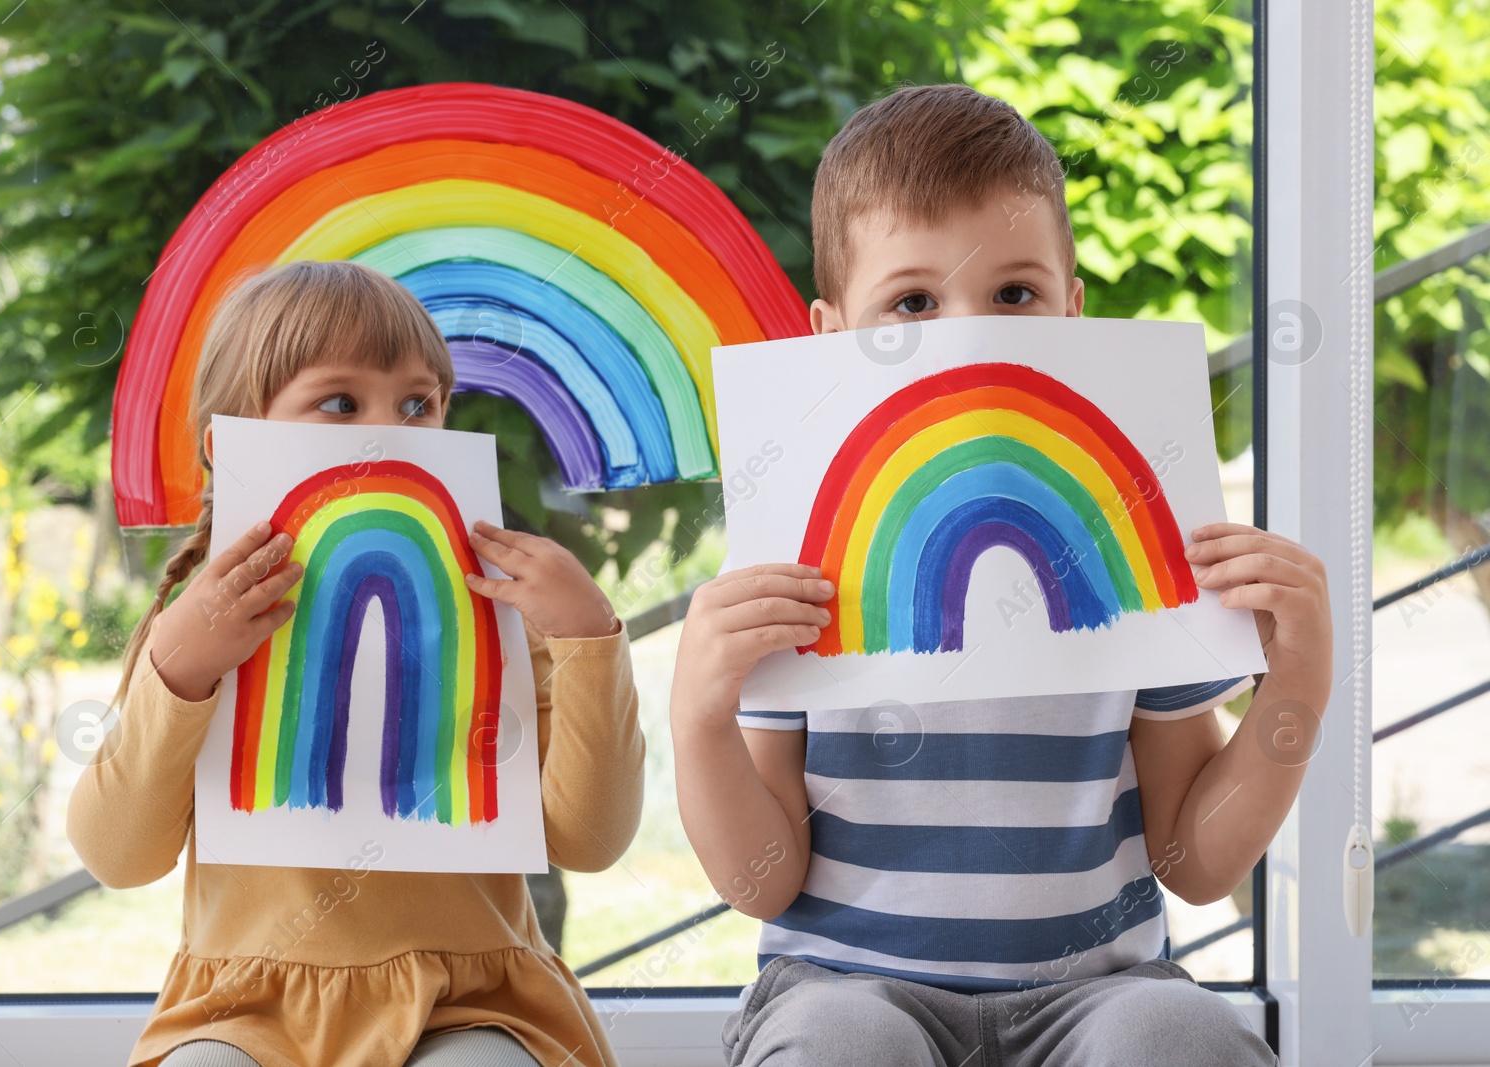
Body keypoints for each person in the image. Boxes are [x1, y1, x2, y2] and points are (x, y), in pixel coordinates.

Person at [671, 84, 1331, 1066]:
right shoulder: (789, 564)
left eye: (1012, 294)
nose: (965, 337)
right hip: (847, 987)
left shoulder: (1137, 545)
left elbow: (1194, 862)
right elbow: (763, 881)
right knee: (833, 1044)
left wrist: (1299, 683)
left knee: (1183, 1038)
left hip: (1095, 993)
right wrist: (699, 713)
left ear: (1072, 309)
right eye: (912, 303)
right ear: (828, 333)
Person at [69, 261, 644, 1067]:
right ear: (231, 440)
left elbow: (590, 838)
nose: (392, 432)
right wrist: (178, 669)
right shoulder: (197, 626)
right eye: (340, 403)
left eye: (419, 404)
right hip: (246, 1010)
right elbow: (116, 855)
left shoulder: (509, 614)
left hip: (473, 1001)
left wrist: (589, 639)